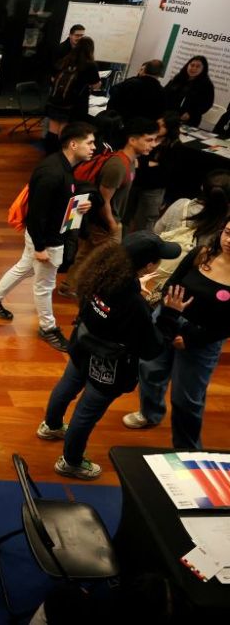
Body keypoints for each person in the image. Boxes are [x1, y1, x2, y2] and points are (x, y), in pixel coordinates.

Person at [39, 234, 179, 479]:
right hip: (109, 364)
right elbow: (151, 348)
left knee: (67, 385)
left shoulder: (100, 274)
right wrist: (169, 314)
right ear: (148, 266)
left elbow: (106, 309)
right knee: (86, 413)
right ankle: (71, 462)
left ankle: (51, 426)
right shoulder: (134, 304)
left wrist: (137, 290)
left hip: (82, 345)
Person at [0, 122, 96, 351]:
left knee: (24, 267)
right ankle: (48, 328)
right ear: (73, 144)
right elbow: (36, 216)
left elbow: (53, 205)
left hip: (46, 236)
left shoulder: (62, 166)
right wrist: (41, 248)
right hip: (47, 239)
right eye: (90, 142)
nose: (94, 147)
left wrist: (78, 207)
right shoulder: (53, 173)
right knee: (45, 285)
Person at [128, 218, 230, 448]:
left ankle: (187, 449)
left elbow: (226, 325)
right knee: (149, 369)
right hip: (169, 318)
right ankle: (150, 413)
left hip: (203, 337)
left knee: (186, 399)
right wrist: (168, 318)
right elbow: (172, 283)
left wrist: (192, 338)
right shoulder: (202, 253)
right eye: (227, 232)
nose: (228, 240)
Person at [58, 117, 159, 298]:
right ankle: (94, 295)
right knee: (110, 262)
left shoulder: (130, 162)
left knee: (87, 254)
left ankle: (69, 286)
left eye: (155, 140)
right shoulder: (118, 165)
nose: (153, 145)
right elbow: (103, 199)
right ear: (132, 140)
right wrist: (112, 224)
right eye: (149, 140)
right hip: (104, 222)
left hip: (103, 221)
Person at [124, 112, 182, 234]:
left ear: (170, 129)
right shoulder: (146, 137)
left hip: (154, 188)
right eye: (158, 123)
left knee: (145, 220)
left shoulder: (174, 145)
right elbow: (137, 160)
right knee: (126, 215)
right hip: (136, 182)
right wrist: (149, 164)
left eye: (162, 126)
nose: (158, 127)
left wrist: (145, 164)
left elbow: (165, 170)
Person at [44, 37, 100, 153]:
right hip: (73, 105)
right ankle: (61, 157)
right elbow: (95, 85)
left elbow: (53, 77)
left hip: (56, 100)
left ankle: (48, 155)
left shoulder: (65, 60)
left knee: (53, 130)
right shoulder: (90, 65)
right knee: (65, 132)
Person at [163, 55, 215, 127]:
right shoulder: (178, 77)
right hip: (168, 115)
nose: (193, 68)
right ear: (187, 65)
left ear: (203, 69)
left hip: (189, 119)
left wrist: (191, 114)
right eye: (192, 65)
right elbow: (165, 93)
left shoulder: (206, 84)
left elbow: (207, 104)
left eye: (198, 66)